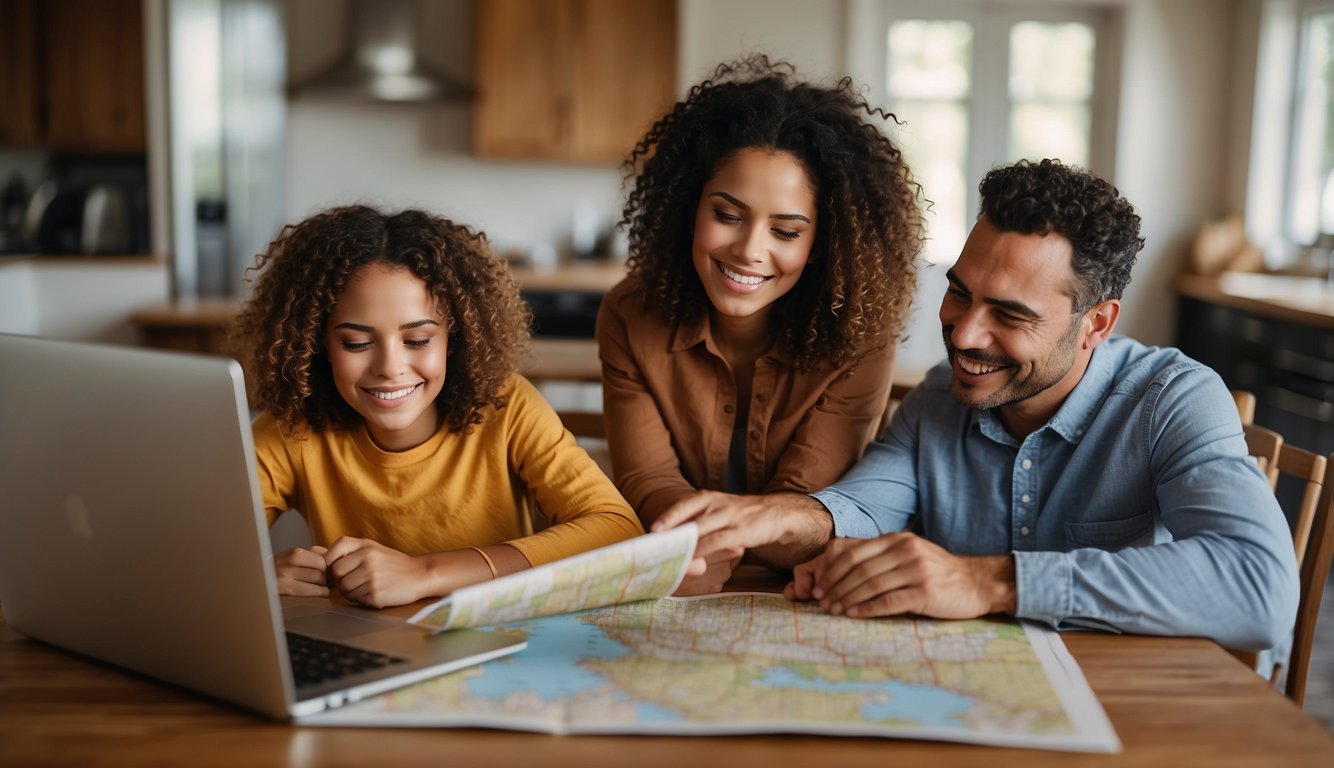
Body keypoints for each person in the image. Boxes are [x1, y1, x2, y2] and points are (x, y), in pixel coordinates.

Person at [654, 159, 1299, 652]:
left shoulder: (1173, 400)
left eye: (1009, 314)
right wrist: (768, 518)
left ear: (1097, 323)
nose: (964, 335)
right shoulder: (943, 395)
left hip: (1135, 714)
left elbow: (1261, 591)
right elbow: (861, 507)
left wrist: (988, 582)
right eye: (961, 293)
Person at [597, 56, 923, 592]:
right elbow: (648, 479)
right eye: (727, 215)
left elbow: (805, 505)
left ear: (822, 243)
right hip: (678, 577)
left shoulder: (859, 335)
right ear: (689, 209)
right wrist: (703, 541)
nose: (750, 251)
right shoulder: (630, 314)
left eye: (786, 232)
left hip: (793, 589)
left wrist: (716, 535)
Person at [232, 205, 643, 608]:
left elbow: (618, 529)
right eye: (356, 343)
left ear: (454, 339)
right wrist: (253, 574)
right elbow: (192, 548)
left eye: (417, 341)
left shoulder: (507, 406)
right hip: (365, 653)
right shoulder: (293, 428)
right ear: (318, 343)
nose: (390, 368)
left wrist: (424, 573)